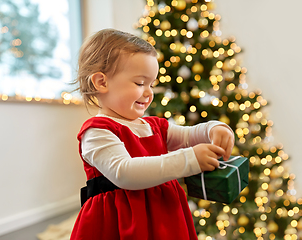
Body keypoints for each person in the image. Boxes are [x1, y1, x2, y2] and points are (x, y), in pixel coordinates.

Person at [70, 29, 234, 240]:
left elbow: (187, 136)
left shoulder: (154, 126)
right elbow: (125, 173)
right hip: (121, 224)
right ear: (102, 82)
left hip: (164, 217)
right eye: (140, 83)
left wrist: (213, 128)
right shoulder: (97, 131)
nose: (148, 93)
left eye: (151, 84)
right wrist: (190, 159)